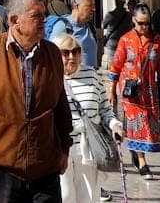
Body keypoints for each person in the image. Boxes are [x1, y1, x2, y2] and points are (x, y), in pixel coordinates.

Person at [0, 0, 71, 203]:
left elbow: (60, 105)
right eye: (37, 16)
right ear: (15, 20)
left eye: (44, 15)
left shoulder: (52, 53)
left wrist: (64, 149)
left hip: (45, 168)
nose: (44, 21)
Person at [54, 31, 118, 203]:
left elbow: (105, 109)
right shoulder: (49, 78)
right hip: (60, 149)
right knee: (65, 196)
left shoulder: (92, 75)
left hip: (88, 147)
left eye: (75, 51)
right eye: (65, 52)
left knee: (89, 197)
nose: (71, 56)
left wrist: (115, 125)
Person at [109, 3, 160, 178]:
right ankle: (142, 162)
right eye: (141, 23)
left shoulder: (157, 41)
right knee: (136, 125)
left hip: (150, 91)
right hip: (131, 91)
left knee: (149, 124)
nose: (144, 27)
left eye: (147, 23)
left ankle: (136, 152)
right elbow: (116, 66)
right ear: (133, 20)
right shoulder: (125, 40)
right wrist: (112, 91)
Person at [46, 0, 100, 68]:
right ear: (77, 6)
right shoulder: (62, 26)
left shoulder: (90, 26)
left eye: (93, 5)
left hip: (90, 78)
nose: (94, 9)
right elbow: (51, 56)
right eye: (89, 5)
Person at [100, 0, 133, 69]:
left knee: (112, 69)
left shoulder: (110, 15)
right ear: (124, 3)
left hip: (112, 45)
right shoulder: (129, 16)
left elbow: (103, 25)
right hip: (125, 45)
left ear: (116, 3)